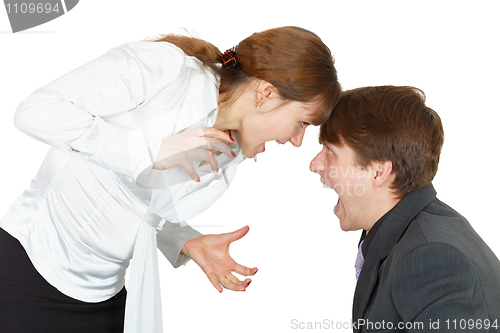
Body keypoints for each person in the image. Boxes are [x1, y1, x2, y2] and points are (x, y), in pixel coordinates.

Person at [0, 26, 341, 333]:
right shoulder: (165, 69)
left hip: (104, 298)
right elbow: (36, 111)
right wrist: (150, 151)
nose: (297, 141)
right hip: (28, 272)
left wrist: (185, 240)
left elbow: (140, 202)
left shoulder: (228, 147)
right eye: (303, 123)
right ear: (266, 93)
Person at [310, 86, 500, 332]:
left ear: (379, 171)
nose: (315, 164)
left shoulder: (432, 258)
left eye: (330, 151)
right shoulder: (405, 235)